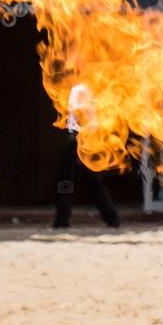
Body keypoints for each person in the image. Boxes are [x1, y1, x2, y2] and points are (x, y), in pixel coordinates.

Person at [53, 84, 121, 229]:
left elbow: (78, 111)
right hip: (88, 140)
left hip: (79, 140)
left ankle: (62, 219)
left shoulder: (80, 89)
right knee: (93, 182)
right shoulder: (91, 88)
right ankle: (111, 218)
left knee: (67, 182)